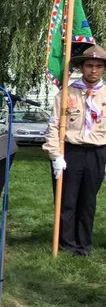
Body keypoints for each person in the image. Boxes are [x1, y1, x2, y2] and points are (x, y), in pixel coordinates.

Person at [44, 45, 106, 257]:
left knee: (88, 202)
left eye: (98, 66)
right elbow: (53, 126)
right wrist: (56, 155)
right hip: (70, 151)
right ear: (82, 67)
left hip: (98, 152)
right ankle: (66, 244)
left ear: (104, 69)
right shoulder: (67, 94)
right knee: (66, 201)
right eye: (89, 65)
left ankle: (83, 245)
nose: (93, 70)